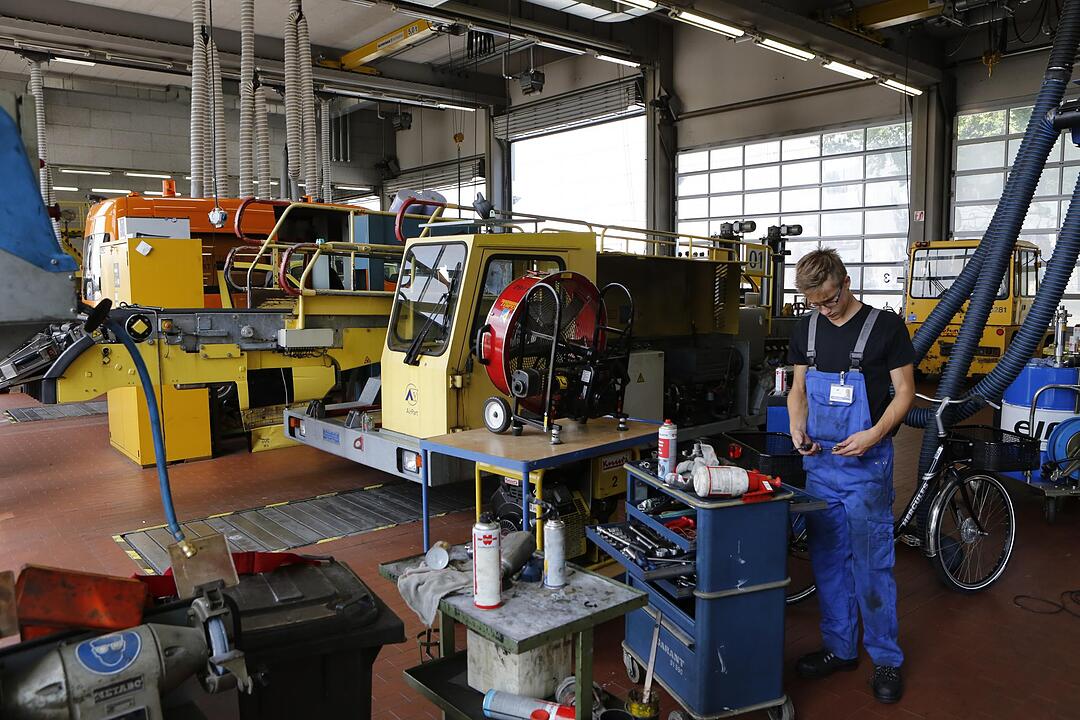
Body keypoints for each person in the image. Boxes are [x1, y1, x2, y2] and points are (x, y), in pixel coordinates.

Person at [786, 249, 915, 704]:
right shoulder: (807, 328)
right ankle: (840, 648)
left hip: (865, 466)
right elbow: (799, 387)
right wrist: (796, 426)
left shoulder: (885, 327)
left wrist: (875, 434)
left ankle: (885, 658)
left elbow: (905, 393)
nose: (825, 308)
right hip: (820, 466)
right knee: (827, 561)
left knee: (871, 565)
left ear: (845, 280)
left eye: (829, 298)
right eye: (815, 303)